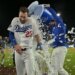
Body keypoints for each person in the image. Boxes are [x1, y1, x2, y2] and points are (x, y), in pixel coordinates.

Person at [7, 6, 42, 75]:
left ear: (28, 16)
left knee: (30, 73)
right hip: (18, 52)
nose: (22, 19)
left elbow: (37, 35)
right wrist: (15, 44)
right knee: (20, 73)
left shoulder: (32, 21)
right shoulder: (14, 20)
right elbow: (10, 33)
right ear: (18, 14)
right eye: (21, 16)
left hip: (28, 51)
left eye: (24, 17)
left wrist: (40, 45)